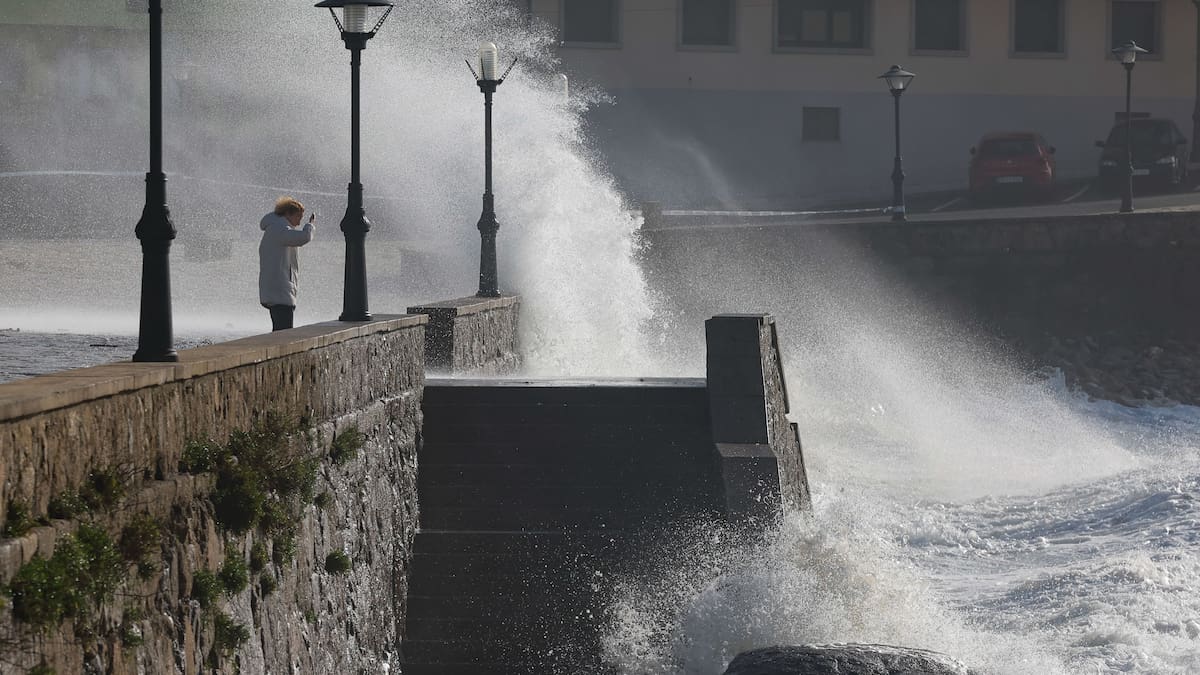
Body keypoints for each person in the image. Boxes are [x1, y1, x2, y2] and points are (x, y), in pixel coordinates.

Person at [259, 196, 315, 331]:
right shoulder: (279, 228)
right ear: (288, 213)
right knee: (283, 332)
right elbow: (303, 238)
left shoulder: (276, 227)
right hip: (279, 290)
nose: (299, 222)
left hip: (276, 289)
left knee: (280, 330)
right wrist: (310, 225)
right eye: (298, 217)